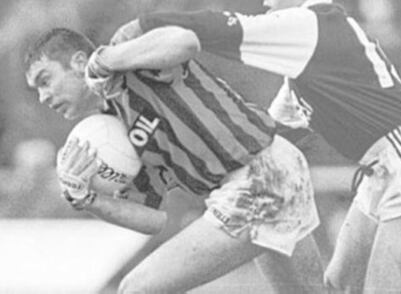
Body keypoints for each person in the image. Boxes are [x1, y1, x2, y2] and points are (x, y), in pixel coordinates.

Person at [87, 0, 401, 292]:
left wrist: (143, 26)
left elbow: (217, 29)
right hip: (383, 173)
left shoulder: (312, 23)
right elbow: (258, 143)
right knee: (333, 289)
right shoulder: (306, 66)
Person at [22, 28, 325, 293]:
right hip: (268, 175)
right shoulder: (115, 130)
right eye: (37, 89)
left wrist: (106, 58)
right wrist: (87, 199)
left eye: (45, 80)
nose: (43, 97)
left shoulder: (127, 64)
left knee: (136, 289)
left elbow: (185, 41)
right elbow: (151, 219)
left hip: (259, 176)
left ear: (77, 63)